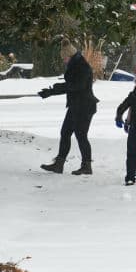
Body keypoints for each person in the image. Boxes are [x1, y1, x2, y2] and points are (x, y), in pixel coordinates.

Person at [39, 39, 99, 175]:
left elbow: (76, 86)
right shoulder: (75, 64)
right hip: (75, 106)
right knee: (65, 133)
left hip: (84, 106)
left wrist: (54, 89)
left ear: (69, 55)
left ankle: (86, 166)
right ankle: (59, 164)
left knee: (81, 135)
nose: (63, 60)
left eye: (64, 57)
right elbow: (71, 86)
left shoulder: (82, 66)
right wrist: (50, 92)